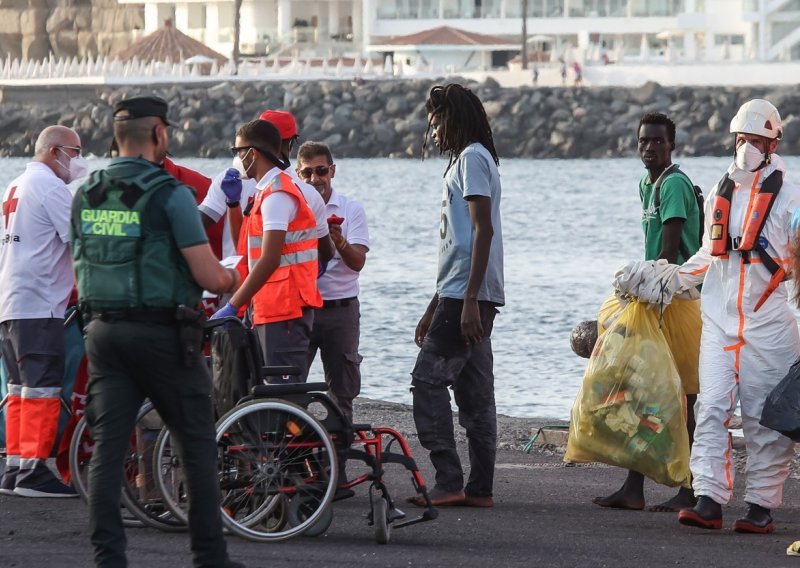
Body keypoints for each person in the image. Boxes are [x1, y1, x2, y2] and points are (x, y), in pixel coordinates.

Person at [71, 95, 244, 567]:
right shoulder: (170, 193)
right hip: (163, 335)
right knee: (196, 443)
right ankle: (210, 557)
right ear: (160, 134)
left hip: (102, 332)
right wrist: (232, 277)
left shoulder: (85, 192)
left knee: (107, 450)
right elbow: (208, 275)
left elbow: (79, 262)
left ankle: (109, 559)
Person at [616, 99, 800, 534]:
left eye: (755, 140)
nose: (747, 147)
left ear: (772, 143)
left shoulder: (791, 197)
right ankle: (708, 498)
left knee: (761, 419)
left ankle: (760, 506)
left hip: (769, 323)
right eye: (741, 139)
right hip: (718, 319)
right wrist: (667, 280)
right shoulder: (723, 190)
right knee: (713, 406)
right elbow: (708, 254)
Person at [593, 112, 701, 513]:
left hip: (677, 299)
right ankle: (634, 487)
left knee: (684, 396)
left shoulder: (673, 184)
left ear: (671, 145)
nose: (649, 148)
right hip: (657, 295)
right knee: (642, 390)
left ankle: (689, 488)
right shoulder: (647, 182)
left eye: (657, 141)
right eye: (643, 142)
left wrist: (638, 291)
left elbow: (669, 255)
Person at [408, 83, 504, 509]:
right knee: (475, 392)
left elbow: (483, 229)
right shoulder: (469, 160)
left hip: (469, 296)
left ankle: (449, 479)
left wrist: (467, 300)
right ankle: (480, 488)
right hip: (461, 293)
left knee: (427, 381)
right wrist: (436, 304)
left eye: (437, 122)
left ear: (455, 121)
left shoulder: (471, 159)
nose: (433, 132)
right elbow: (458, 243)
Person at [0, 125, 87, 498]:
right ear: (54, 151)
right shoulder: (50, 187)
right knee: (41, 387)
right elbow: (80, 237)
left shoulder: (14, 186)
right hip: (39, 303)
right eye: (75, 151)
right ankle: (34, 470)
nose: (79, 160)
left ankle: (16, 466)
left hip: (11, 301)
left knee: (18, 389)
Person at [212, 120, 322, 383]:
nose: (237, 159)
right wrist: (232, 202)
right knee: (266, 390)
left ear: (252, 154)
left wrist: (233, 304)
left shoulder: (277, 195)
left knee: (283, 393)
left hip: (285, 309)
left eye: (239, 152)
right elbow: (245, 243)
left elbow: (270, 258)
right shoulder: (263, 192)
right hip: (268, 306)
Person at [198, 109, 333, 264]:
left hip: (239, 280)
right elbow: (325, 253)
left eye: (239, 151)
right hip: (282, 284)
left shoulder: (227, 180)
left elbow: (197, 224)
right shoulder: (306, 191)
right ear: (290, 144)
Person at [297, 141, 369, 424]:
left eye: (321, 170)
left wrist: (339, 241)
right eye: (307, 173)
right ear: (298, 174)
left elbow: (358, 262)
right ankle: (295, 462)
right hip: (302, 308)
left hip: (341, 310)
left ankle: (339, 459)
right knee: (289, 389)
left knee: (343, 394)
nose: (316, 179)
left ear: (332, 171)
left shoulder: (351, 209)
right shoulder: (293, 207)